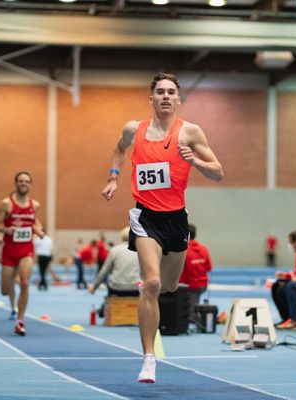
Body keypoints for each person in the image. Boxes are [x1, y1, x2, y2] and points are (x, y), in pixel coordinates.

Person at [101, 72, 223, 383]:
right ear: (151, 98)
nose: (166, 96)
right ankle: (148, 358)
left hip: (176, 219)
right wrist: (114, 176)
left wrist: (194, 162)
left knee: (169, 286)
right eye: (160, 92)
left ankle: (151, 291)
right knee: (153, 283)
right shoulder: (134, 129)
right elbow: (118, 150)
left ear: (178, 100)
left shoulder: (190, 133)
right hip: (145, 218)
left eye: (171, 92)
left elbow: (218, 172)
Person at [0, 171, 44, 336]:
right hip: (9, 251)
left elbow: (34, 221)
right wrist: (6, 229)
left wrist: (39, 230)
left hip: (26, 250)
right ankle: (11, 285)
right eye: (21, 181)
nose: (23, 184)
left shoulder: (34, 205)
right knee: (5, 290)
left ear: (30, 184)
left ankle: (20, 321)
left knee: (25, 282)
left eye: (27, 181)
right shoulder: (6, 204)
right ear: (16, 183)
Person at [88, 227, 142, 316]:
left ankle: (104, 308)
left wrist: (94, 287)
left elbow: (103, 272)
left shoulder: (114, 250)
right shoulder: (141, 250)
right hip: (136, 289)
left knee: (111, 283)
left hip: (117, 288)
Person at [179, 224, 213, 323]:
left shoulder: (184, 250)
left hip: (190, 286)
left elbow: (180, 272)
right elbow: (209, 267)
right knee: (194, 298)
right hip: (203, 284)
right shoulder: (204, 248)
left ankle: (193, 317)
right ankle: (194, 315)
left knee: (192, 299)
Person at [271, 230, 296, 324]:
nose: (289, 245)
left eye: (290, 242)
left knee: (284, 288)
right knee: (276, 285)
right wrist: (286, 276)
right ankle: (285, 317)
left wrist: (291, 277)